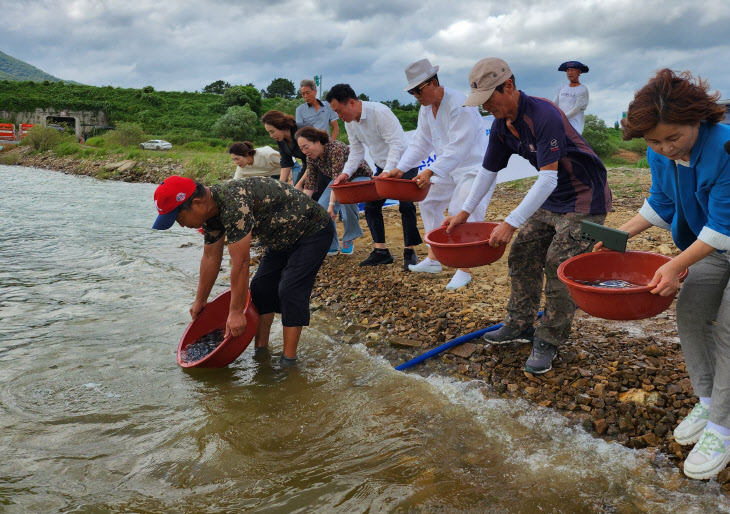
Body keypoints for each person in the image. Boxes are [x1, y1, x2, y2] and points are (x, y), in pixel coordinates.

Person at [600, 69, 730, 480]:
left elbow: (724, 225)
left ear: (698, 119)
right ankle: (709, 401)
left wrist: (675, 265)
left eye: (673, 137)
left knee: (728, 328)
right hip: (711, 245)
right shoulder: (659, 152)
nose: (664, 148)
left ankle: (723, 428)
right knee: (690, 314)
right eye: (655, 142)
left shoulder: (726, 146)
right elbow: (661, 203)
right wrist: (618, 234)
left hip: (719, 235)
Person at [444, 57, 611, 374]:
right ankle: (520, 323)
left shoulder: (543, 113)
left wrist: (510, 222)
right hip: (552, 198)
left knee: (559, 265)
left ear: (508, 86)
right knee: (523, 253)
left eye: (488, 99)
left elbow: (547, 178)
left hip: (584, 197)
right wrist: (463, 213)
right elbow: (487, 172)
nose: (485, 108)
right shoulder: (501, 125)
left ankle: (549, 337)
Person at [151, 175, 333, 368]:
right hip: (280, 237)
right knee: (261, 288)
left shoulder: (233, 203)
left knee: (290, 290)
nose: (180, 224)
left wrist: (236, 312)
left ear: (197, 203)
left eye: (178, 217)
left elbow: (241, 262)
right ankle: (261, 353)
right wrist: (200, 300)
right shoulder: (210, 212)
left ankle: (289, 361)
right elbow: (211, 257)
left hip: (313, 230)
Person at [381, 58, 495, 290]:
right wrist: (400, 168)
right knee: (429, 200)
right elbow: (420, 143)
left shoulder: (459, 104)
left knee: (460, 211)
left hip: (474, 168)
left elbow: (459, 147)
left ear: (433, 83)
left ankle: (464, 268)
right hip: (449, 169)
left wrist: (431, 170)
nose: (416, 96)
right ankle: (435, 257)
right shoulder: (426, 109)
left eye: (418, 90)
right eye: (412, 92)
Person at [326, 83, 423, 269]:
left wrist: (389, 171)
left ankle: (409, 252)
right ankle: (381, 251)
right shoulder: (350, 122)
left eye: (339, 110)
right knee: (371, 205)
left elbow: (396, 144)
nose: (338, 116)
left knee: (406, 205)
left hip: (404, 163)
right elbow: (355, 149)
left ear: (352, 103)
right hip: (382, 166)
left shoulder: (380, 112)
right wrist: (346, 173)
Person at [295, 126, 372, 256]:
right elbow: (310, 185)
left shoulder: (335, 148)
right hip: (338, 180)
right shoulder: (311, 158)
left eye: (306, 146)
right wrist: (302, 207)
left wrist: (332, 206)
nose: (304, 151)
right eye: (301, 148)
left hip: (358, 175)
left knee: (345, 198)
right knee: (320, 208)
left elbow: (338, 181)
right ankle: (331, 244)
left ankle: (348, 238)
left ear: (317, 142)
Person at [260, 110, 309, 193]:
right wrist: (280, 186)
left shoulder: (302, 131)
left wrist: (300, 183)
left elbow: (314, 160)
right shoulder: (281, 139)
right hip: (307, 166)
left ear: (281, 126)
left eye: (272, 131)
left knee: (309, 195)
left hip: (322, 165)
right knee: (297, 193)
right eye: (269, 132)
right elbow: (286, 162)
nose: (271, 136)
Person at [554, 61, 590, 134]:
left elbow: (576, 110)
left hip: (574, 128)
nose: (569, 73)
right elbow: (554, 104)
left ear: (579, 72)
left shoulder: (582, 89)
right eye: (567, 70)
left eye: (572, 70)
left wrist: (560, 118)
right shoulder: (562, 87)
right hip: (559, 125)